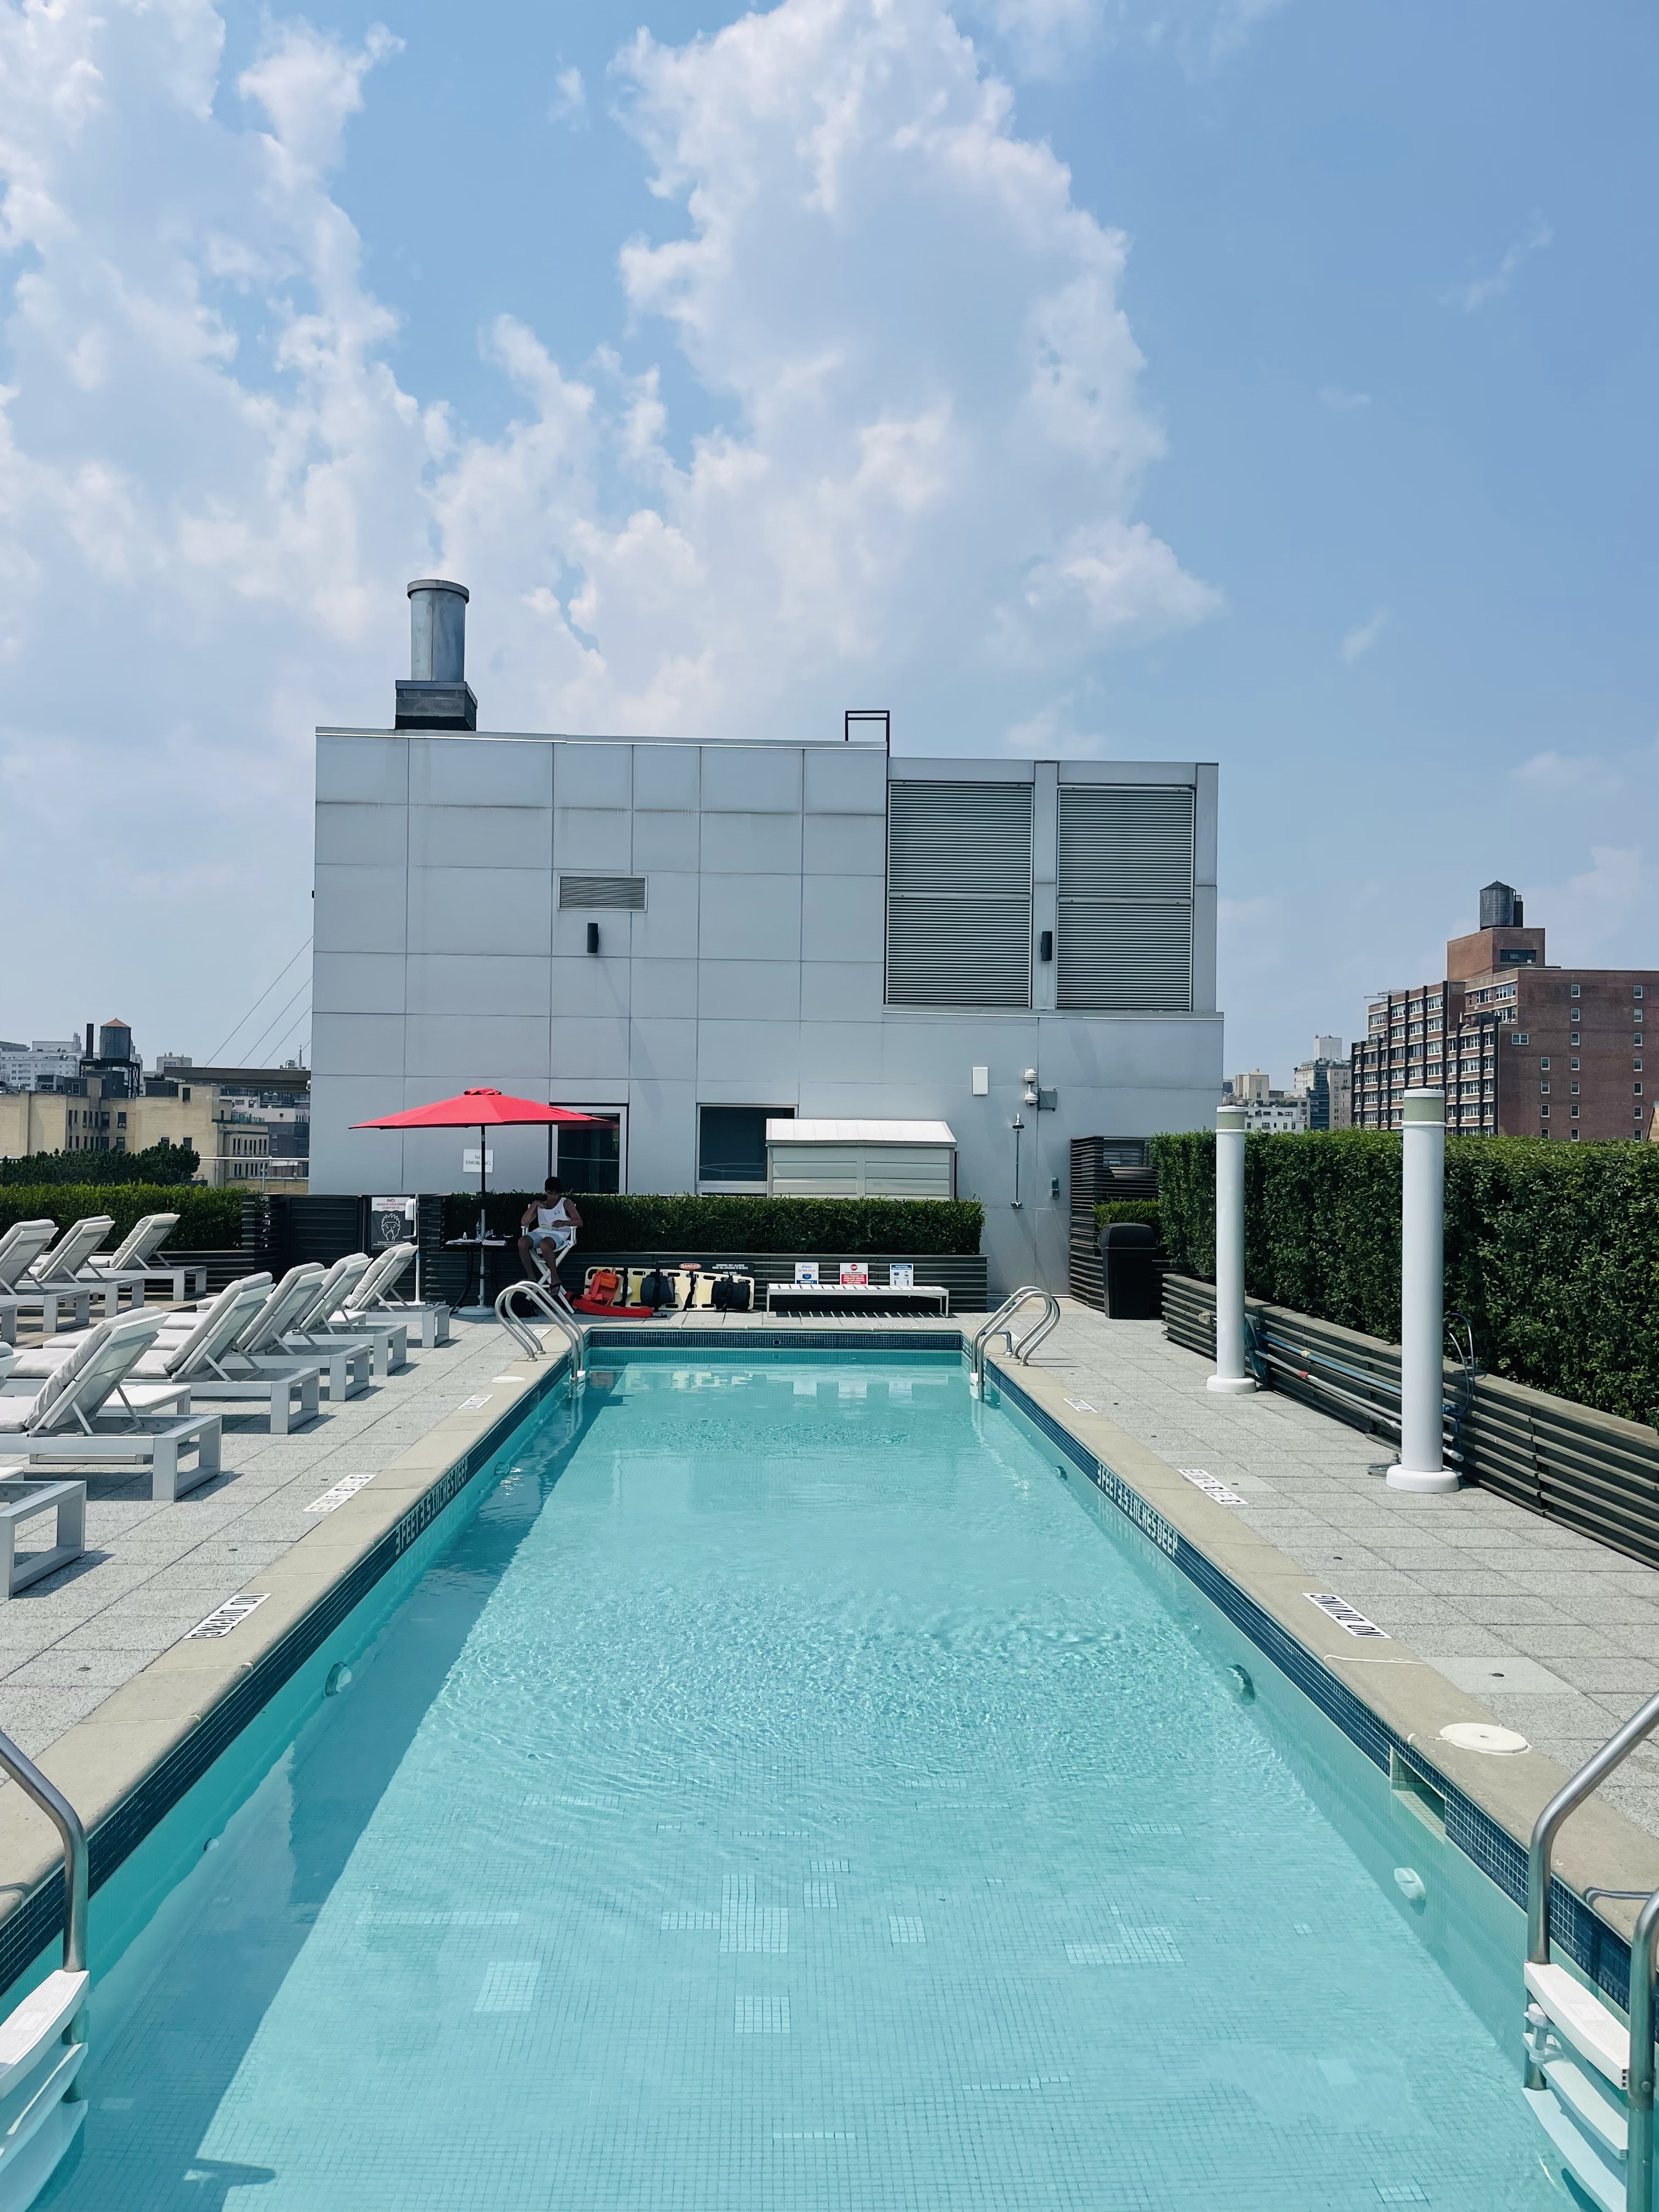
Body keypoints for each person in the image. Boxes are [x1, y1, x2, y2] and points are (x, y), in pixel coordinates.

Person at [519, 1178, 582, 1284]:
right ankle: (531, 1277)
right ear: (546, 1191)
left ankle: (554, 1278)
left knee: (545, 1244)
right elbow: (524, 1222)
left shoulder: (566, 1203)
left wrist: (564, 1223)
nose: (553, 1197)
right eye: (550, 1194)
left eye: (556, 1194)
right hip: (541, 1232)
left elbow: (579, 1222)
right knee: (522, 1242)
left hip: (559, 1234)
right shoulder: (540, 1205)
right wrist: (535, 1205)